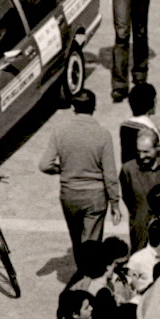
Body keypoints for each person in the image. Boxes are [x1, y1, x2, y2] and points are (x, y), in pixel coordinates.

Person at [39, 89, 122, 255]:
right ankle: (90, 270)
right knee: (92, 244)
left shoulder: (60, 132)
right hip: (95, 196)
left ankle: (81, 267)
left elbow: (45, 165)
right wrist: (115, 203)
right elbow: (110, 174)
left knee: (76, 241)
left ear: (73, 108)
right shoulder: (103, 135)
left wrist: (62, 169)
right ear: (94, 108)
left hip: (69, 195)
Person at [119, 128, 160, 250]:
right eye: (139, 151)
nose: (142, 156)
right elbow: (128, 198)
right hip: (141, 229)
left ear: (157, 148)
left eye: (146, 152)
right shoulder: (128, 170)